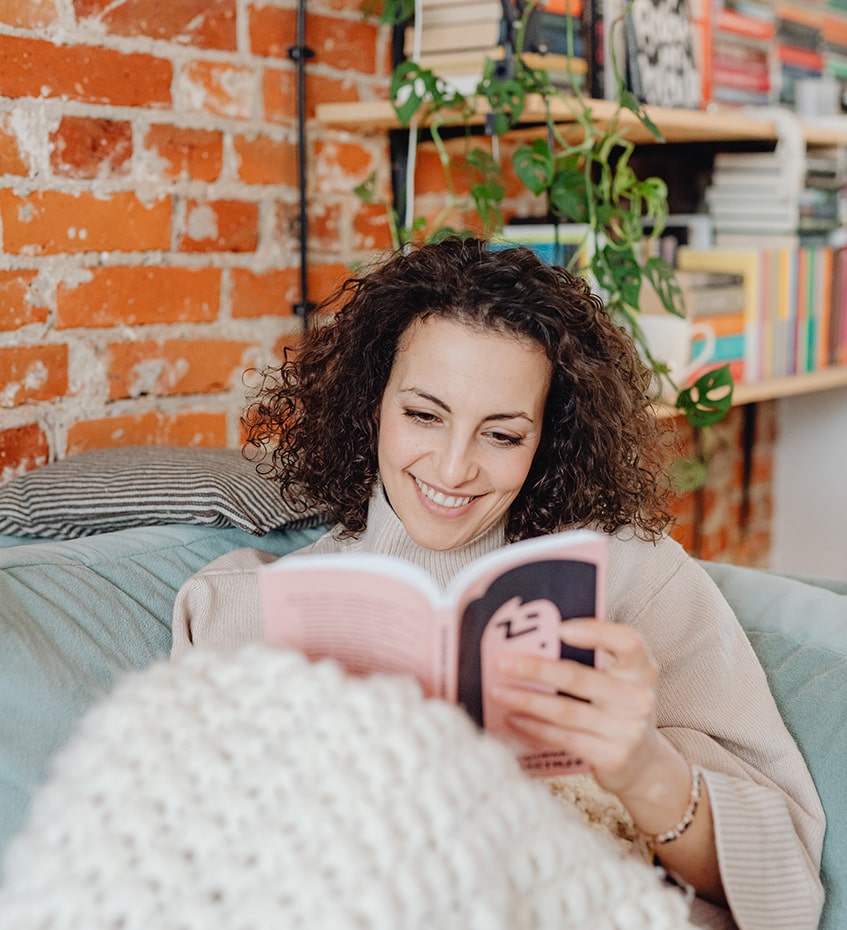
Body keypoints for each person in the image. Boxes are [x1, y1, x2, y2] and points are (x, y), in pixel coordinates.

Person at [171, 237, 824, 930]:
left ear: (547, 437)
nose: (453, 471)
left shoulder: (635, 576)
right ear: (370, 404)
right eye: (423, 416)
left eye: (501, 435)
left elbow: (783, 890)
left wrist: (643, 771)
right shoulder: (241, 608)